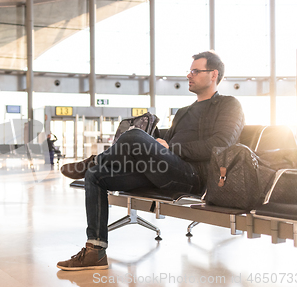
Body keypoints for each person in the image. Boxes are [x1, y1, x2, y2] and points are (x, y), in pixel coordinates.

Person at [57, 51, 245, 271]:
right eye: (189, 71)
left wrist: (170, 147)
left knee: (134, 136)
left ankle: (95, 160)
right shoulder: (183, 112)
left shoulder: (229, 105)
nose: (189, 76)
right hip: (164, 170)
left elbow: (221, 144)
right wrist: (158, 142)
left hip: (194, 177)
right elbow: (169, 142)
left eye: (195, 71)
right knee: (96, 176)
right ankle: (95, 252)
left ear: (213, 74)